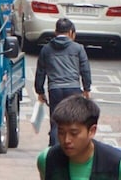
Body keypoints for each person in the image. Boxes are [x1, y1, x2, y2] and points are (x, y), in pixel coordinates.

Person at [38, 96, 121, 180]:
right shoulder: (47, 159)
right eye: (61, 132)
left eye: (74, 133)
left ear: (92, 131)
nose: (66, 140)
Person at [36, 18, 92, 147]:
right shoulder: (78, 48)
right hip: (73, 89)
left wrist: (40, 91)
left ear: (55, 32)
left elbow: (40, 72)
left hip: (54, 90)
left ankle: (54, 150)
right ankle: (73, 148)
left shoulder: (47, 49)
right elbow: (85, 69)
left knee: (57, 122)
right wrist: (86, 88)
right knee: (74, 121)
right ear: (71, 32)